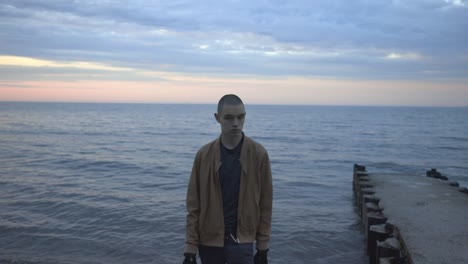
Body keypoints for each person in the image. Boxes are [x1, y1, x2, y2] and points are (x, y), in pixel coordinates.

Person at [183, 94, 273, 264]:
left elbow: (265, 204)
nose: (236, 123)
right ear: (217, 118)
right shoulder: (204, 155)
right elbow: (193, 205)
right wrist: (190, 248)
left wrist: (263, 246)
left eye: (240, 117)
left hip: (243, 242)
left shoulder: (259, 154)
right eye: (229, 118)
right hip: (209, 242)